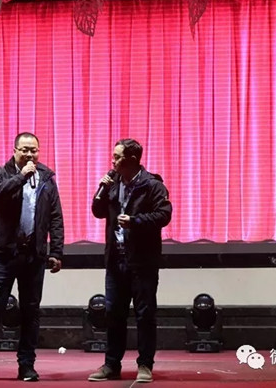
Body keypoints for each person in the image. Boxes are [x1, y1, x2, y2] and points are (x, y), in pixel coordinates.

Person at [0, 132, 64, 383]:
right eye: (25, 150)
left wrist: (56, 251)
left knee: (30, 312)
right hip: (4, 254)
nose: (30, 154)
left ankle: (26, 365)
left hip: (34, 256)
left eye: (34, 150)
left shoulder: (47, 178)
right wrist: (21, 177)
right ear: (15, 151)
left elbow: (55, 216)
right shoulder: (1, 173)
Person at [88, 139, 172, 384]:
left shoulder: (152, 185)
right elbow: (98, 212)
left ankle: (145, 364)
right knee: (114, 314)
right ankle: (111, 364)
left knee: (145, 314)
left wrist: (135, 221)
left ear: (132, 160)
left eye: (117, 157)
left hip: (142, 262)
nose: (112, 161)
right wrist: (101, 190)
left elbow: (164, 215)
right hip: (116, 260)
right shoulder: (112, 183)